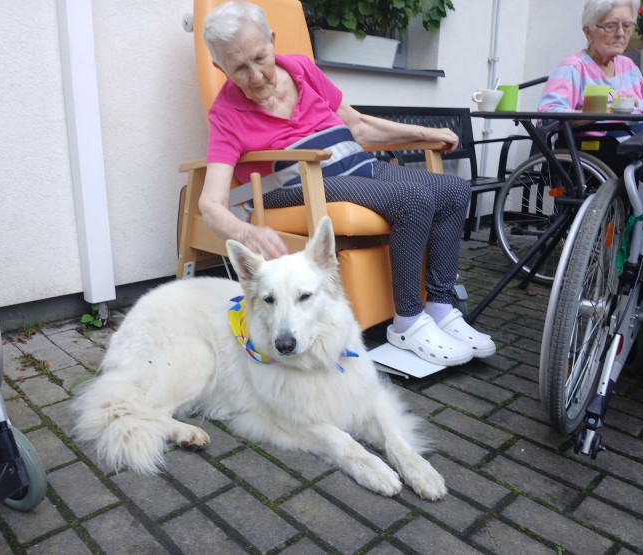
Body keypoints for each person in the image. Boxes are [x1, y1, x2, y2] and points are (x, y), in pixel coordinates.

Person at [198, 1, 496, 367]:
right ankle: (407, 320)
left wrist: (424, 132)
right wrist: (246, 234)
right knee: (414, 199)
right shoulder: (226, 114)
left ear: (272, 40)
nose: (257, 76)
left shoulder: (303, 69)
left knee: (453, 191)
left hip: (361, 167)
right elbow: (209, 204)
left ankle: (440, 304)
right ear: (219, 67)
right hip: (298, 188)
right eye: (238, 69)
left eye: (260, 58)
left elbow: (357, 126)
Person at [538, 0, 643, 120]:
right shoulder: (573, 68)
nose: (620, 33)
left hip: (637, 137)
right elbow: (547, 115)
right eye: (610, 26)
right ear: (588, 32)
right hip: (591, 139)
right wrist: (607, 111)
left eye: (627, 25)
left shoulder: (629, 67)